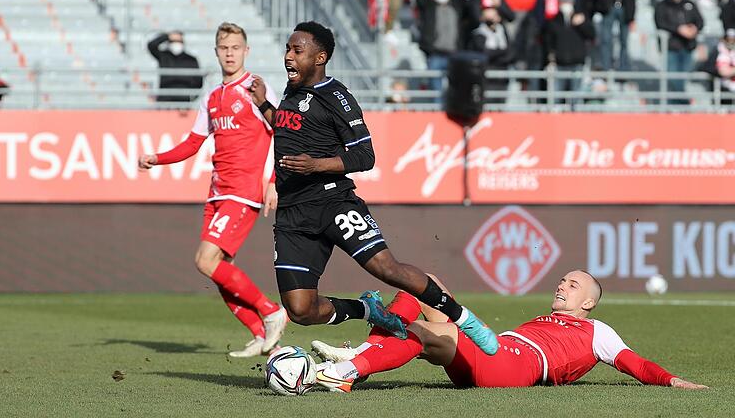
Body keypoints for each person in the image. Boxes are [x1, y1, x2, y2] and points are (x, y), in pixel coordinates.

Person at [248, 21, 498, 355]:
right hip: (293, 213)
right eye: (287, 49)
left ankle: (464, 318)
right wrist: (265, 105)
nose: (288, 57)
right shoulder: (293, 90)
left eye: (297, 50)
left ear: (320, 57)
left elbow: (365, 156)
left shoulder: (338, 98)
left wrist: (316, 165)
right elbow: (288, 126)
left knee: (387, 269)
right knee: (300, 311)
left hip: (333, 202)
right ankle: (369, 310)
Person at [138, 22, 288, 358]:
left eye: (236, 47)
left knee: (205, 261)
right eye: (224, 48)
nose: (230, 53)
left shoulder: (257, 89)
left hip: (243, 191)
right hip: (217, 193)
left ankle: (272, 311)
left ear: (246, 51)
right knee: (220, 269)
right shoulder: (212, 96)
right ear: (217, 52)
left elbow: (283, 134)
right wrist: (156, 158)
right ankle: (262, 334)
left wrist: (275, 183)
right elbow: (193, 143)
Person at [311, 270, 709, 392]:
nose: (561, 286)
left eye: (573, 285)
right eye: (563, 281)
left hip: (514, 366)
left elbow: (632, 363)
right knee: (425, 283)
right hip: (499, 351)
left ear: (588, 302)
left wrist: (674, 381)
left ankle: (350, 372)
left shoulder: (597, 331)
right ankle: (361, 355)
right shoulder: (548, 319)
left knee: (430, 336)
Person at [543, 0, 595, 105]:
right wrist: (550, 60)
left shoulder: (581, 18)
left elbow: (592, 35)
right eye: (563, 1)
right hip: (560, 64)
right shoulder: (554, 21)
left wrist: (582, 24)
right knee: (556, 99)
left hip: (577, 64)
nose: (566, 4)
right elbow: (548, 42)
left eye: (568, 1)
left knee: (576, 99)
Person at [654, 0, 704, 105]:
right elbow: (660, 23)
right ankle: (682, 102)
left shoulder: (689, 3)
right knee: (673, 76)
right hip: (671, 47)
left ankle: (678, 103)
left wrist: (694, 28)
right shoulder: (663, 5)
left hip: (687, 46)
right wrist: (678, 29)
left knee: (683, 77)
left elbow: (700, 21)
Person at [595, 0, 647, 71]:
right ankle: (606, 67)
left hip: (626, 8)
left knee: (624, 41)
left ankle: (623, 68)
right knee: (606, 39)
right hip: (609, 6)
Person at [147, 31, 204, 105]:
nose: (176, 43)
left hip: (183, 100)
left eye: (179, 41)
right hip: (164, 99)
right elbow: (151, 45)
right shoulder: (164, 56)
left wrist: (191, 98)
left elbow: (198, 81)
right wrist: (167, 36)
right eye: (173, 41)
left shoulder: (191, 59)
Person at [716, 29, 735, 102]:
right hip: (726, 87)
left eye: (733, 40)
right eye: (729, 39)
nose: (731, 42)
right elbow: (723, 71)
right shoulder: (720, 52)